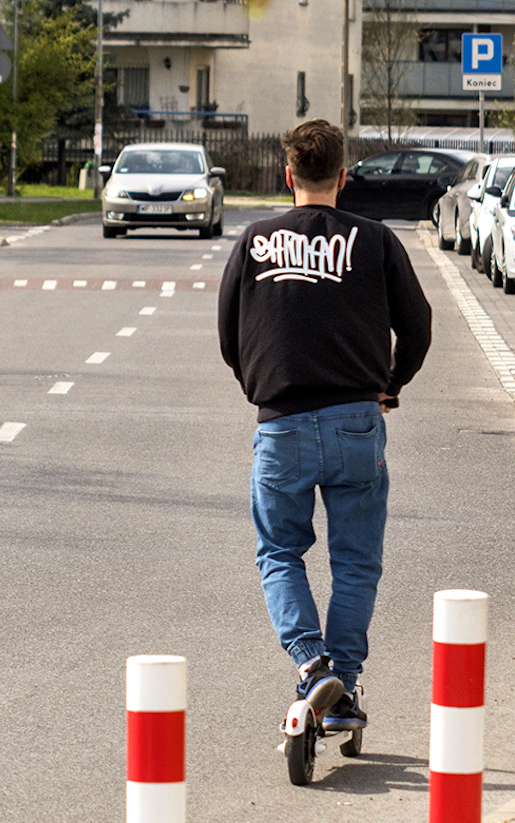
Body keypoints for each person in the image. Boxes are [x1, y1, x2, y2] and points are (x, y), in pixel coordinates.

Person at [217, 119, 433, 731]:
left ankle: (313, 666)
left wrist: (259, 387)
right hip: (357, 423)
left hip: (280, 423)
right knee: (356, 561)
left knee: (280, 553)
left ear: (288, 176)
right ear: (344, 177)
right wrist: (392, 384)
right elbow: (417, 325)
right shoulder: (376, 240)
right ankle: (348, 686)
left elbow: (229, 333)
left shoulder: (255, 242)